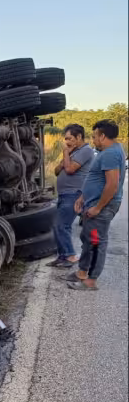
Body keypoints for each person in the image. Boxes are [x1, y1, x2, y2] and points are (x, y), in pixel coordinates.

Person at [64, 120, 126, 290]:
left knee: (96, 242)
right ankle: (82, 272)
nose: (93, 140)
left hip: (102, 207)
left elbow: (112, 185)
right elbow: (97, 180)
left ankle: (90, 280)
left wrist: (98, 207)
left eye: (94, 137)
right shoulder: (114, 149)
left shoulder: (110, 154)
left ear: (103, 136)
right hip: (94, 203)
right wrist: (83, 197)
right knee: (88, 239)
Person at [47, 123, 94, 267]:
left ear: (79, 137)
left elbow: (70, 170)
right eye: (66, 139)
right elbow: (56, 171)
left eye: (69, 138)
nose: (66, 142)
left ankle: (69, 256)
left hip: (73, 194)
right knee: (58, 226)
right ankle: (63, 256)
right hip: (64, 194)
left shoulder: (85, 151)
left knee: (62, 225)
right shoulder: (73, 151)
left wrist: (66, 154)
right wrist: (65, 159)